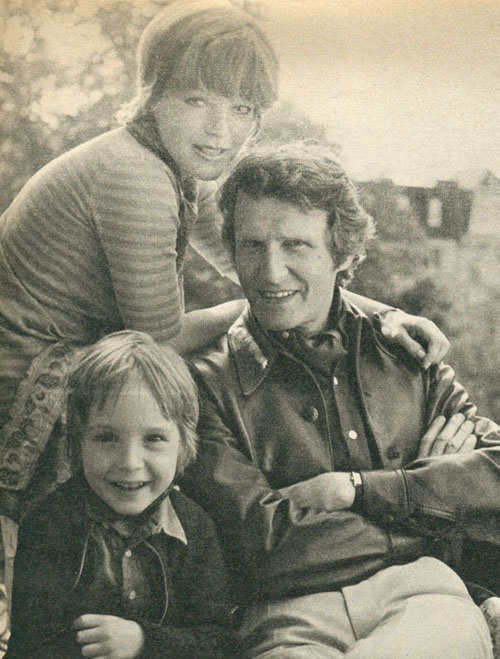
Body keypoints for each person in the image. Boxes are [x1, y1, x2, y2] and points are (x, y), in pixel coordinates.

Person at [0, 0, 449, 611]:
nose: (221, 131)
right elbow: (159, 338)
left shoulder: (171, 168)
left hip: (67, 363)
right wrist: (252, 310)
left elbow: (267, 270)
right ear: (152, 95)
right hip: (28, 385)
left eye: (242, 109)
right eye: (197, 100)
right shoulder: (135, 177)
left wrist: (383, 315)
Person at [182, 141, 500, 658]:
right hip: (284, 614)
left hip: (423, 595)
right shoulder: (204, 384)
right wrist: (431, 512)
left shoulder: (405, 352)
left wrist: (355, 490)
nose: (270, 271)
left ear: (343, 253)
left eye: (296, 246)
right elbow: (260, 549)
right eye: (252, 245)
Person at [5, 330, 237, 658]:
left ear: (183, 445)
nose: (129, 463)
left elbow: (218, 642)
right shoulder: (48, 525)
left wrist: (143, 641)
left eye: (153, 439)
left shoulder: (196, 529)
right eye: (106, 438)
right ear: (78, 442)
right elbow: (30, 645)